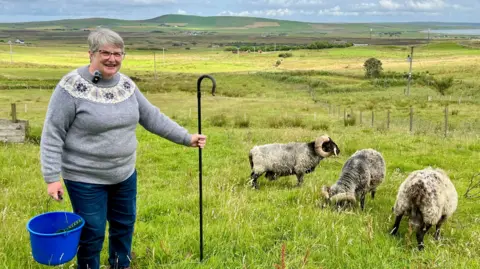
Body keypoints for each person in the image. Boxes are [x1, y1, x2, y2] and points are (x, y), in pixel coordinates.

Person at [40, 28, 206, 269]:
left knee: (124, 224)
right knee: (93, 231)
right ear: (91, 53)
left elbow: (152, 117)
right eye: (105, 52)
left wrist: (186, 137)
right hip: (85, 178)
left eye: (118, 53)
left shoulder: (127, 86)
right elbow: (53, 133)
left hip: (124, 174)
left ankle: (120, 265)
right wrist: (51, 177)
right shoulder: (70, 87)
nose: (112, 59)